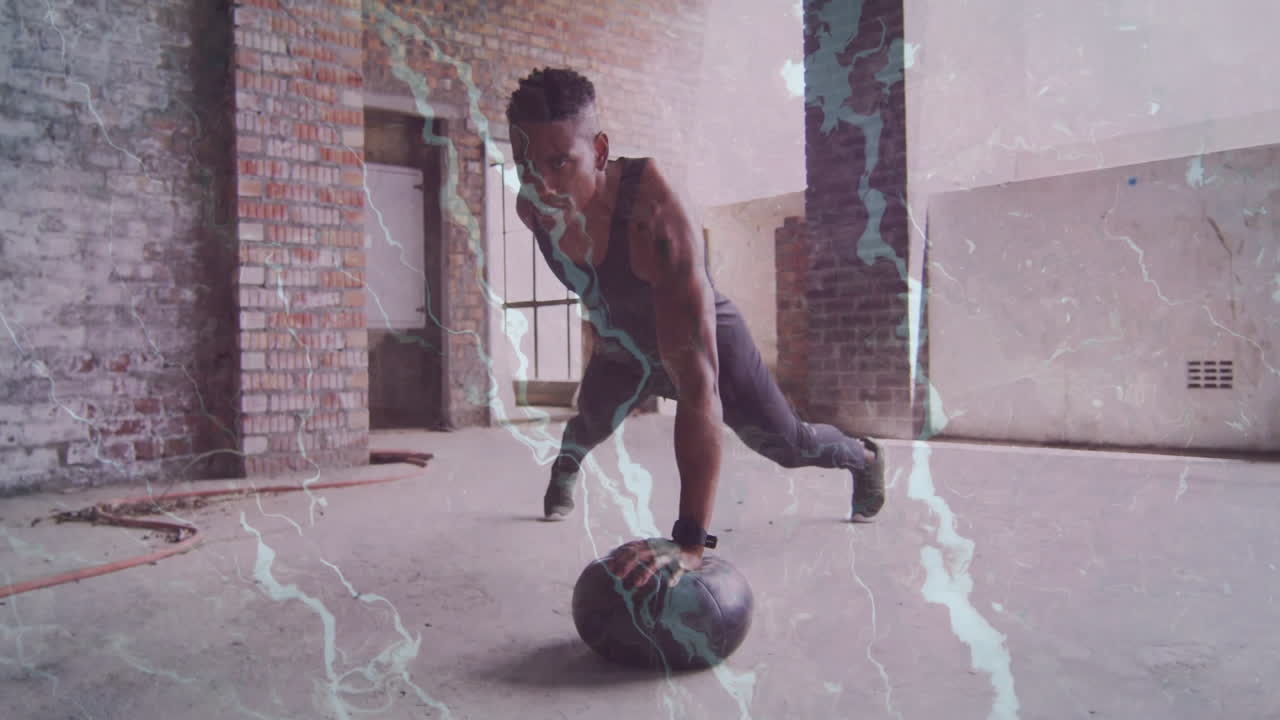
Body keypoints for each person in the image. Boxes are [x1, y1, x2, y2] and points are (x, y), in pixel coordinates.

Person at [503, 67, 884, 589]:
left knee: (788, 445)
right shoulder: (531, 208)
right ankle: (565, 470)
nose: (541, 184)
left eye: (558, 162)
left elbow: (699, 389)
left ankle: (863, 458)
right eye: (525, 164)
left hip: (700, 337)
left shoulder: (656, 213)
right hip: (623, 343)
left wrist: (689, 541)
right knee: (588, 423)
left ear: (600, 148)